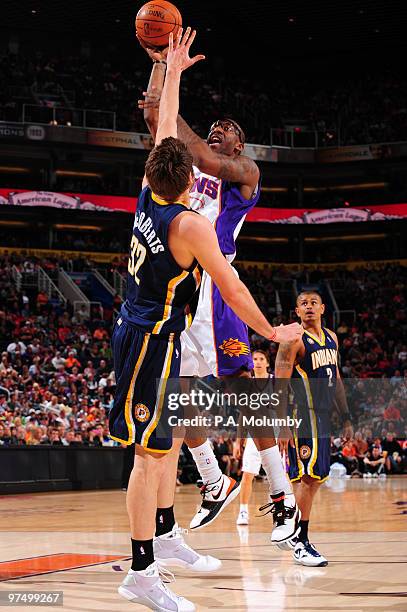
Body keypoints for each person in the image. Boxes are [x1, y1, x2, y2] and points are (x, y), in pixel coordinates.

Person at [113, 29, 303, 611]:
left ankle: (165, 535)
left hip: (156, 333)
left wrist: (171, 73)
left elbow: (167, 123)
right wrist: (273, 331)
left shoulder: (151, 188)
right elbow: (235, 285)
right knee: (149, 458)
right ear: (186, 183)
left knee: (164, 450)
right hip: (150, 338)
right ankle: (140, 569)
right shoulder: (190, 225)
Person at [274, 291, 352, 567]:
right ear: (296, 311)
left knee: (314, 478)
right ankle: (300, 541)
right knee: (307, 478)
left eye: (313, 303)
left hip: (323, 417)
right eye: (303, 304)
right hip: (301, 416)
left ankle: (290, 525)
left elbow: (338, 377)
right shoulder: (293, 340)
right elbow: (280, 382)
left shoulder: (331, 337)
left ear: (322, 308)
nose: (308, 307)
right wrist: (282, 423)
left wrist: (345, 416)